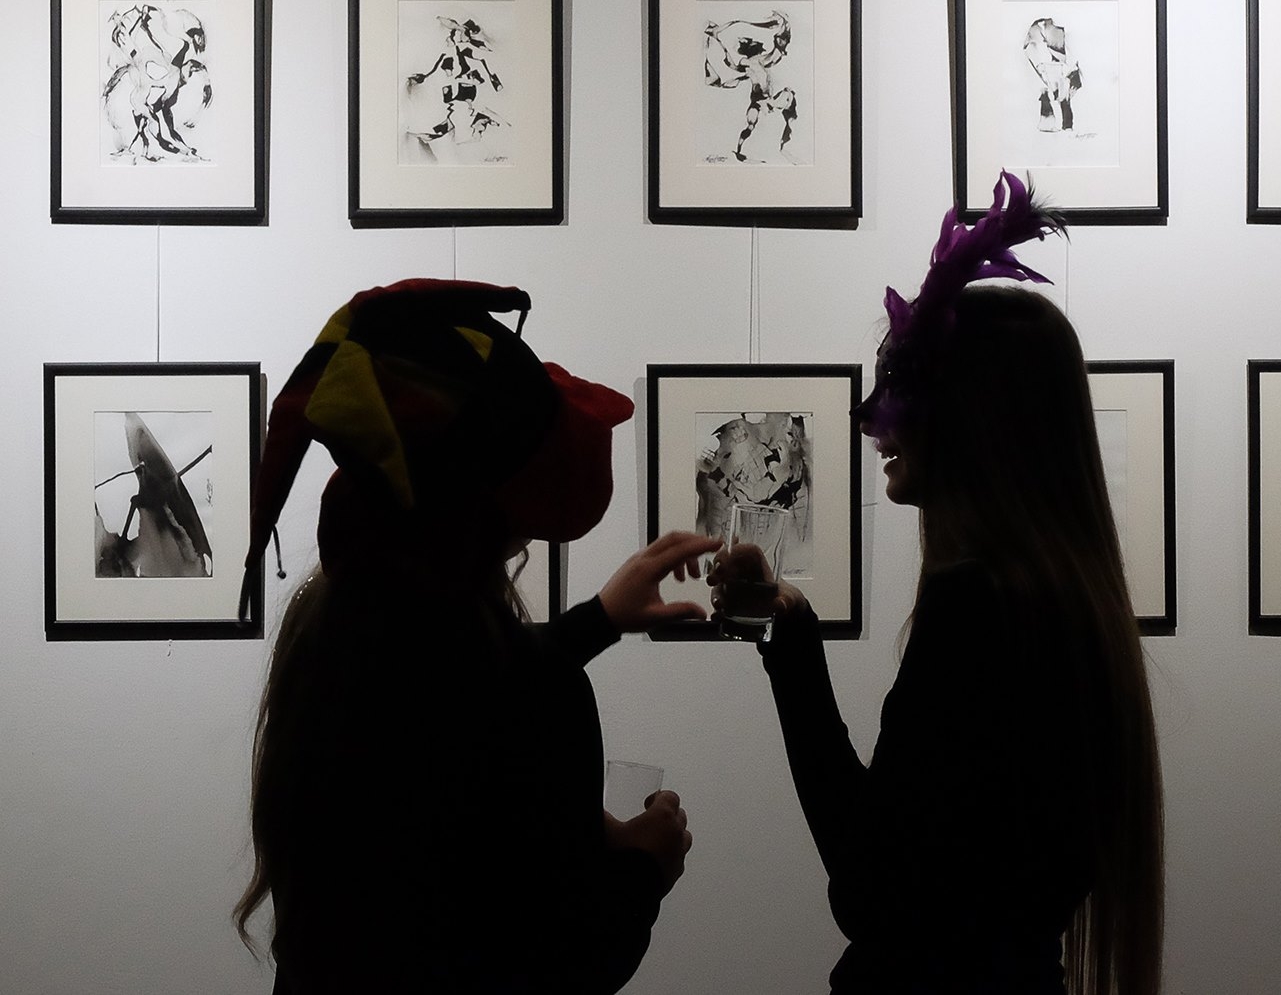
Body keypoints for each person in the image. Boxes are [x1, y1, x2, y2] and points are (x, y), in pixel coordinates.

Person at [693, 173, 1165, 994]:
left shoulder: (973, 606)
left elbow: (871, 887)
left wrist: (794, 654)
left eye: (906, 386)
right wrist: (786, 617)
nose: (874, 418)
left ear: (974, 415)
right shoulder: (1070, 607)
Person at [233, 278, 720, 993]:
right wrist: (647, 863)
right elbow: (569, 961)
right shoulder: (534, 689)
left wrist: (597, 619)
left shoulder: (327, 634)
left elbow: (449, 692)